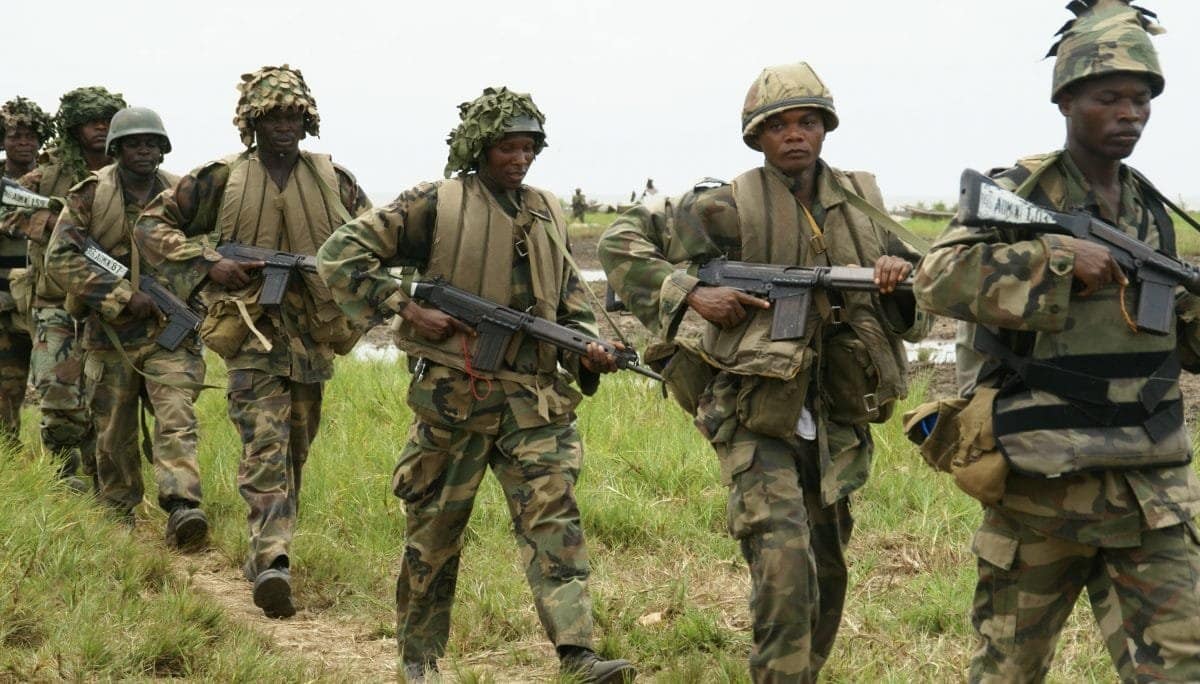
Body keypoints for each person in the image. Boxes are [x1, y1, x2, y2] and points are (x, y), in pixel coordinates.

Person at [599, 62, 930, 682]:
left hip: (836, 415)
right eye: (778, 126)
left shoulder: (862, 206)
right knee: (783, 569)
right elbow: (620, 240)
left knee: (827, 570)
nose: (795, 135)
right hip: (753, 411)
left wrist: (897, 283)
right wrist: (691, 293)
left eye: (808, 122)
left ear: (826, 128)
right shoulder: (724, 206)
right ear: (756, 137)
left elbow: (920, 310)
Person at [913, 2, 1200, 681]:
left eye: (1141, 100)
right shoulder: (1021, 192)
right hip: (1040, 488)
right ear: (1066, 100)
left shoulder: (1153, 210)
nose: (1129, 114)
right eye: (1109, 98)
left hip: (1148, 489)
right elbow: (936, 277)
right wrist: (1059, 261)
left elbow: (1178, 339)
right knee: (1007, 670)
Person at [318, 86, 636, 684]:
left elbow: (572, 305)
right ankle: (419, 659)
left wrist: (589, 352)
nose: (520, 159)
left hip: (535, 405)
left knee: (555, 527)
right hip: (453, 402)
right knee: (434, 535)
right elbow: (339, 254)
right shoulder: (433, 204)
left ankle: (577, 654)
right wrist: (407, 307)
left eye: (529, 148)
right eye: (508, 147)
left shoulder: (546, 211)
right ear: (480, 148)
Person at [135, 65, 370, 618]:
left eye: (293, 116)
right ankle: (272, 559)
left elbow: (374, 240)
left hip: (312, 337)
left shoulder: (335, 181)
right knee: (264, 445)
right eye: (272, 117)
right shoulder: (220, 179)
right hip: (250, 334)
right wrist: (207, 261)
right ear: (252, 122)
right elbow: (150, 226)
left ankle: (270, 548)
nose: (284, 126)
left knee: (295, 449)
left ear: (307, 121)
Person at [44, 106, 210, 548]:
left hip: (170, 334)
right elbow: (60, 258)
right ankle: (118, 514)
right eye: (134, 143)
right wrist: (120, 296)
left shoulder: (182, 194)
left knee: (176, 415)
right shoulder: (91, 195)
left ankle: (182, 505)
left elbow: (209, 249)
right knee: (113, 431)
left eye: (152, 143)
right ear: (116, 149)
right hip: (109, 334)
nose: (144, 150)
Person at [0, 86, 126, 489]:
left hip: (110, 298)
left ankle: (102, 475)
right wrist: (55, 226)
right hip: (54, 298)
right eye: (92, 122)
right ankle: (63, 473)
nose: (101, 129)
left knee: (104, 395)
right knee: (57, 389)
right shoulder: (49, 172)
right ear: (74, 127)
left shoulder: (129, 168)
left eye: (107, 121)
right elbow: (9, 212)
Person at [0, 96, 54, 445]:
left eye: (31, 136)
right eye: (15, 136)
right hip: (3, 304)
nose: (24, 142)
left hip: (47, 300)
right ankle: (7, 457)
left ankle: (63, 459)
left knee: (58, 385)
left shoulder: (54, 180)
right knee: (5, 390)